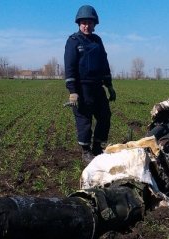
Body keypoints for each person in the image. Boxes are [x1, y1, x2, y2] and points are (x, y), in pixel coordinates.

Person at [64, 5, 116, 163]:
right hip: (82, 88)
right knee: (84, 120)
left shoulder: (97, 41)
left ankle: (97, 147)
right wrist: (73, 91)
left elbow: (104, 63)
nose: (86, 25)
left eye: (90, 22)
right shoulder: (73, 41)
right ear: (79, 24)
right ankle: (85, 151)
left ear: (95, 24)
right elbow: (70, 67)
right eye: (83, 22)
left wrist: (109, 86)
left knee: (105, 116)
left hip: (97, 87)